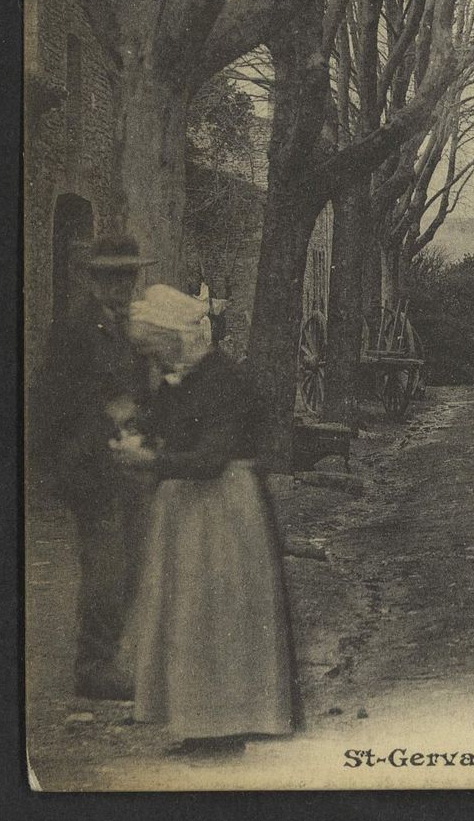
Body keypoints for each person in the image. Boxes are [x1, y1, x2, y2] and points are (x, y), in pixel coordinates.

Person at [119, 294, 296, 757]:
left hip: (222, 507)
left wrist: (152, 460)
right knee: (188, 615)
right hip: (187, 505)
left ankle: (227, 727)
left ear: (173, 338)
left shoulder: (223, 379)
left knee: (218, 613)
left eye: (155, 349)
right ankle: (199, 725)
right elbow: (162, 421)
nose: (153, 360)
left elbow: (212, 459)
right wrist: (136, 430)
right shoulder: (182, 378)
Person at [36, 234, 155, 701]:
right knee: (105, 569)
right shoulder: (72, 331)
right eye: (110, 276)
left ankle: (109, 659)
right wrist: (106, 414)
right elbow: (51, 400)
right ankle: (94, 666)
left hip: (131, 465)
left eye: (127, 276)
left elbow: (144, 392)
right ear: (94, 279)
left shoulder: (135, 328)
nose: (120, 286)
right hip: (91, 467)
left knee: (133, 567)